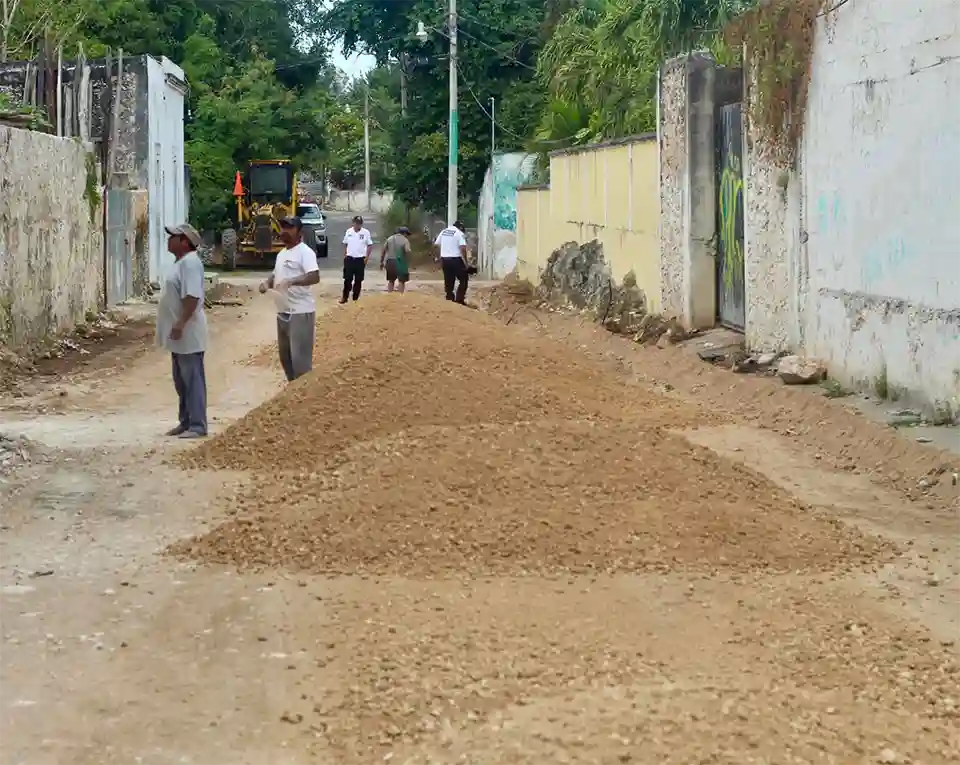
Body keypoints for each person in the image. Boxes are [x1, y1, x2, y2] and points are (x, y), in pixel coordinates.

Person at [157, 223, 208, 439]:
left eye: (174, 237)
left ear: (185, 242)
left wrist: (180, 323)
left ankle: (197, 425)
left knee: (192, 378)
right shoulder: (181, 263)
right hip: (179, 332)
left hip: (188, 330)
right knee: (181, 380)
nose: (169, 240)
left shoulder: (190, 263)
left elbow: (192, 296)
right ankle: (185, 421)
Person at [258, 216, 320, 382]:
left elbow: (314, 276)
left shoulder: (305, 252)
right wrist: (266, 283)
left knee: (300, 363)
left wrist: (293, 281)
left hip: (300, 312)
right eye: (283, 227)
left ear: (299, 232)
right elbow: (275, 275)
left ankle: (304, 393)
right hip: (283, 311)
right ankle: (294, 392)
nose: (284, 231)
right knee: (286, 359)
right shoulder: (281, 254)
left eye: (289, 228)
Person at [435, 220, 469, 303]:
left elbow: (436, 245)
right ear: (460, 227)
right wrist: (466, 262)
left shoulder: (444, 231)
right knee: (464, 279)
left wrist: (438, 256)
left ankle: (449, 298)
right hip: (455, 259)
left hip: (444, 259)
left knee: (448, 279)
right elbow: (463, 248)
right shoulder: (459, 233)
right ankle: (459, 299)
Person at [341, 215, 373, 303]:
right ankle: (345, 297)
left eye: (359, 223)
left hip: (360, 259)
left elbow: (370, 245)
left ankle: (355, 298)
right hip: (349, 258)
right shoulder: (349, 231)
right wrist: (345, 254)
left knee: (358, 280)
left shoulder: (365, 232)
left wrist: (367, 257)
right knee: (347, 279)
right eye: (356, 223)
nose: (358, 225)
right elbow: (345, 243)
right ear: (353, 223)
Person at [380, 226, 412, 294]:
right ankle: (400, 297)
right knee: (401, 281)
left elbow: (383, 251)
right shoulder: (405, 240)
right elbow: (407, 251)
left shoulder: (389, 239)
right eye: (407, 234)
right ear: (404, 233)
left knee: (391, 281)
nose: (407, 236)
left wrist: (381, 262)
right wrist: (408, 261)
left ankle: (390, 295)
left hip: (390, 262)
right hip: (400, 262)